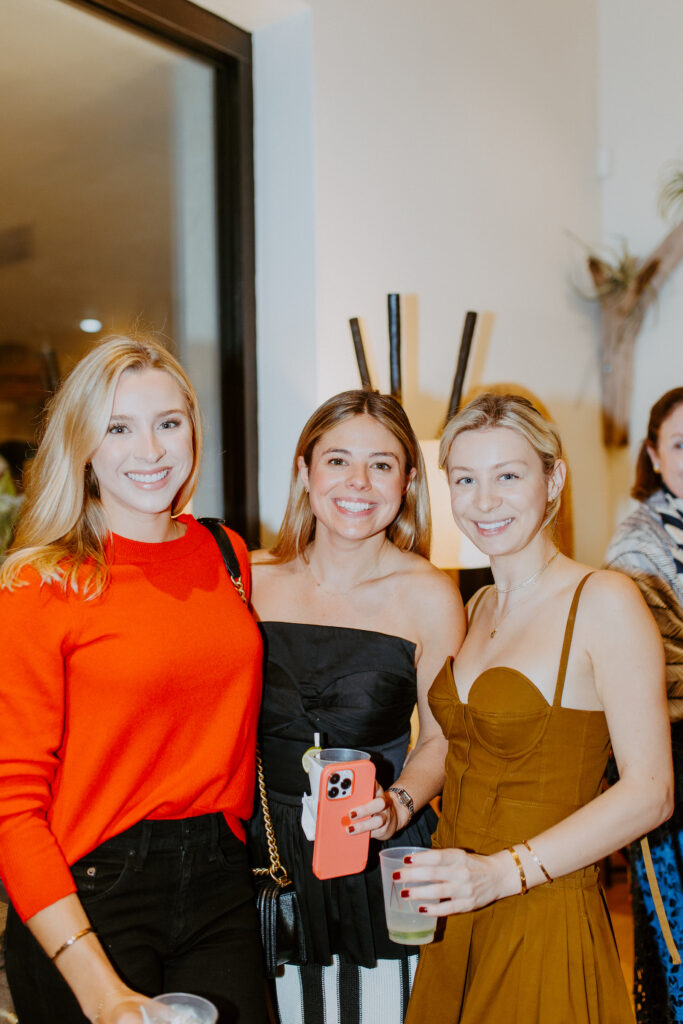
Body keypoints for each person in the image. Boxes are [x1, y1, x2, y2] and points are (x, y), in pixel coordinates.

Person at [0, 336, 268, 1024]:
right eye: (119, 428)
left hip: (219, 881)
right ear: (83, 445)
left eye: (168, 423)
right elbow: (10, 806)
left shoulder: (224, 553)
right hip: (92, 888)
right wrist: (98, 988)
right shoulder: (39, 583)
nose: (150, 450)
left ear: (192, 430)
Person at [398, 391, 673, 1024]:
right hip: (454, 910)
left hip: (540, 905)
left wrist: (504, 873)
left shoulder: (604, 600)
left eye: (508, 476)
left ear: (554, 479)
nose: (484, 500)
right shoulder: (475, 608)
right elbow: (448, 749)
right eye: (465, 479)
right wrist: (398, 804)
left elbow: (651, 791)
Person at [248, 390, 465, 1024]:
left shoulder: (429, 594)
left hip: (378, 845)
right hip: (265, 850)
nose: (358, 483)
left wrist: (398, 806)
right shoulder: (251, 581)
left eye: (382, 464)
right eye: (338, 460)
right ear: (303, 471)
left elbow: (442, 738)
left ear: (408, 481)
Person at [605, 387, 683, 1023]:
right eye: (680, 444)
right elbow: (660, 669)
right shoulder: (638, 546)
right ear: (655, 456)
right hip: (672, 758)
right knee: (676, 943)